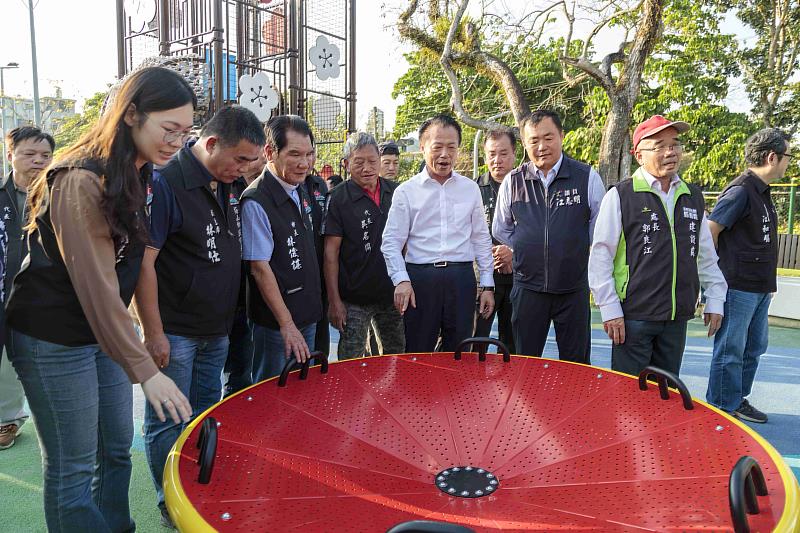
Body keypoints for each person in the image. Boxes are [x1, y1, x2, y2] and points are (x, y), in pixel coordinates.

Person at [5, 66, 193, 532]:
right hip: (52, 337)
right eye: (169, 129)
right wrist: (146, 370)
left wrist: (149, 334)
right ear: (131, 115)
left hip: (102, 333)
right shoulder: (79, 178)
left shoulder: (140, 172)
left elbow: (133, 264)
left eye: (186, 133)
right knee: (73, 467)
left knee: (113, 450)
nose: (176, 141)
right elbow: (96, 286)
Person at [134, 105, 265, 525]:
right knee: (168, 419)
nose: (245, 170)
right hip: (176, 331)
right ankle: (169, 499)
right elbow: (144, 263)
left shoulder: (223, 181)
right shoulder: (168, 182)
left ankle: (198, 486)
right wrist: (153, 333)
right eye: (241, 159)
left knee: (207, 412)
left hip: (216, 329)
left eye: (251, 161)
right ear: (210, 144)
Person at [588, 115, 727, 376]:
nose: (671, 152)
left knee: (667, 392)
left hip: (676, 317)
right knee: (629, 393)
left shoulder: (692, 197)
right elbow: (600, 256)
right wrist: (609, 309)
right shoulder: (620, 195)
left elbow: (706, 254)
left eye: (674, 144)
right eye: (660, 146)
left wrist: (716, 298)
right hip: (634, 316)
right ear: (639, 155)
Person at [492, 110, 605, 362]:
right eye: (533, 140)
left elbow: (598, 232)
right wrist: (524, 249)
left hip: (572, 289)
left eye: (548, 138)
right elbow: (501, 228)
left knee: (576, 366)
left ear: (561, 136)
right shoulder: (514, 180)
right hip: (528, 288)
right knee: (524, 363)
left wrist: (570, 251)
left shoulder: (586, 177)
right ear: (524, 144)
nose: (541, 146)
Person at [382, 114, 494, 352]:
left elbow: (481, 238)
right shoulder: (406, 192)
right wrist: (401, 279)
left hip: (461, 279)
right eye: (437, 147)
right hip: (420, 280)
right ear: (423, 148)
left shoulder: (470, 189)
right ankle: (417, 391)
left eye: (451, 147)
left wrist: (487, 284)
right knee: (418, 351)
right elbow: (391, 242)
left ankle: (455, 390)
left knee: (460, 350)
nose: (445, 154)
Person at [705, 128, 790, 423]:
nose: (788, 162)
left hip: (759, 287)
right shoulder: (741, 190)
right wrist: (714, 281)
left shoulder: (761, 192)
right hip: (737, 286)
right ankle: (721, 407)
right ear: (772, 157)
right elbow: (711, 231)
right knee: (731, 349)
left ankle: (735, 399)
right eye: (787, 156)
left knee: (754, 348)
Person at [242, 115, 321, 381]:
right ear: (270, 152)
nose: (304, 163)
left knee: (303, 386)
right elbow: (259, 268)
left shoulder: (300, 188)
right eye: (295, 154)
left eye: (309, 154)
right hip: (277, 324)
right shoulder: (256, 200)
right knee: (272, 388)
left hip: (306, 312)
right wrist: (286, 323)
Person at [324, 132, 405, 358]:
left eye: (372, 161)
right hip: (354, 299)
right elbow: (331, 253)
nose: (367, 168)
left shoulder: (397, 192)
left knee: (395, 355)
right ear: (347, 163)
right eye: (359, 162)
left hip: (391, 293)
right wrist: (334, 301)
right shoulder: (338, 198)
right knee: (351, 360)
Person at [0, 127, 53, 450]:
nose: (38, 161)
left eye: (45, 155)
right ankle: (7, 418)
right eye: (29, 154)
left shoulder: (58, 193)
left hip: (45, 292)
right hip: (4, 289)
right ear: (11, 156)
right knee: (4, 358)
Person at [223, 145, 267, 397]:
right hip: (226, 290)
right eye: (251, 154)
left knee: (243, 364)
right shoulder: (227, 185)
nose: (258, 158)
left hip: (254, 291)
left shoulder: (265, 191)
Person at [473, 127, 517, 353]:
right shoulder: (472, 189)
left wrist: (513, 252)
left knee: (512, 347)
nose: (497, 160)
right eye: (491, 154)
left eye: (503, 153)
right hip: (481, 281)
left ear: (515, 154)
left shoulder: (527, 187)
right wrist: (487, 251)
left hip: (518, 279)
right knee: (475, 342)